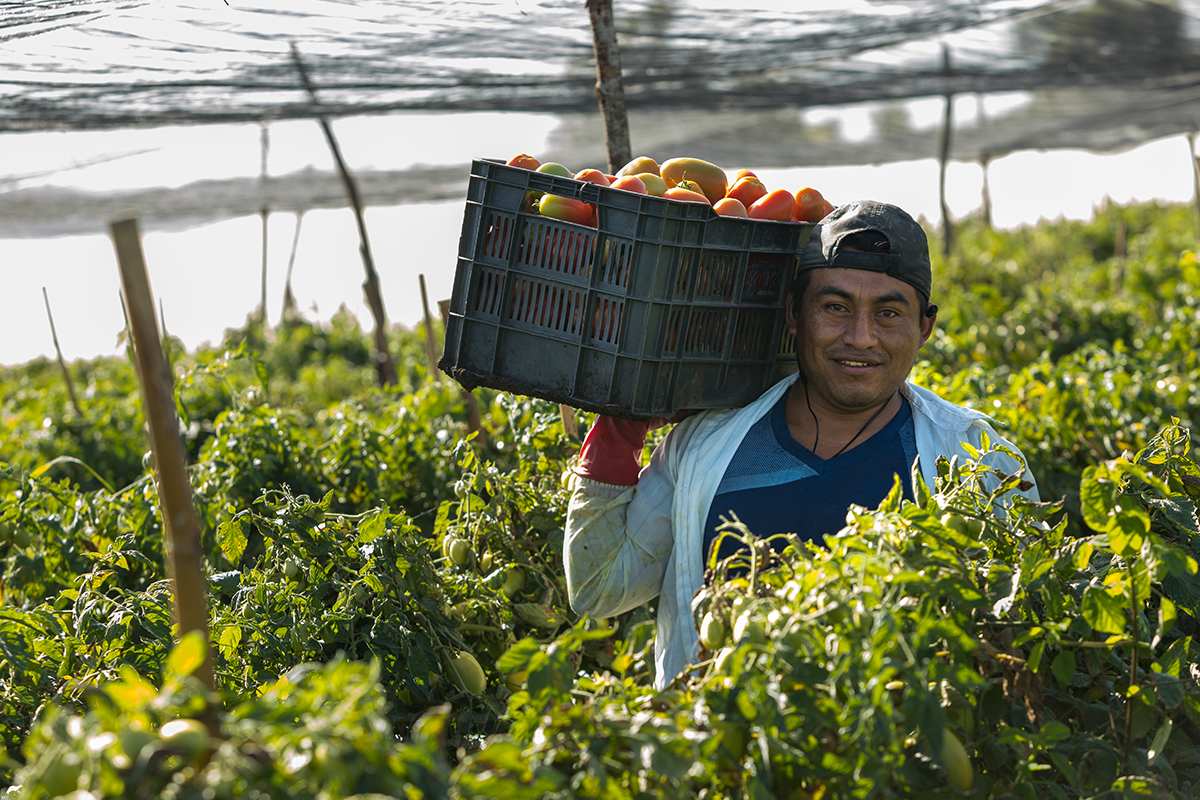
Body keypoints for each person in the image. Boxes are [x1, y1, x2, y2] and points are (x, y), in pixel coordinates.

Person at [563, 200, 1039, 690]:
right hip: (713, 754)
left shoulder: (975, 457)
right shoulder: (710, 444)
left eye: (889, 313)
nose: (860, 337)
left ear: (924, 328)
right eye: (835, 308)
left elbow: (1018, 631)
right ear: (794, 313)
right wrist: (621, 427)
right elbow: (599, 587)